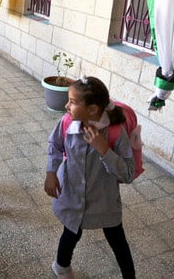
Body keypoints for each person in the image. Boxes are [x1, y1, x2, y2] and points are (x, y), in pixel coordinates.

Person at [44, 76, 136, 279]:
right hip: (72, 193)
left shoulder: (114, 132)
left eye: (73, 102)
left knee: (116, 238)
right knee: (71, 232)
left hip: (103, 199)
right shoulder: (68, 121)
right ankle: (61, 266)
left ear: (93, 110)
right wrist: (51, 173)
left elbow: (128, 173)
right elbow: (55, 145)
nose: (66, 105)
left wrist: (104, 150)